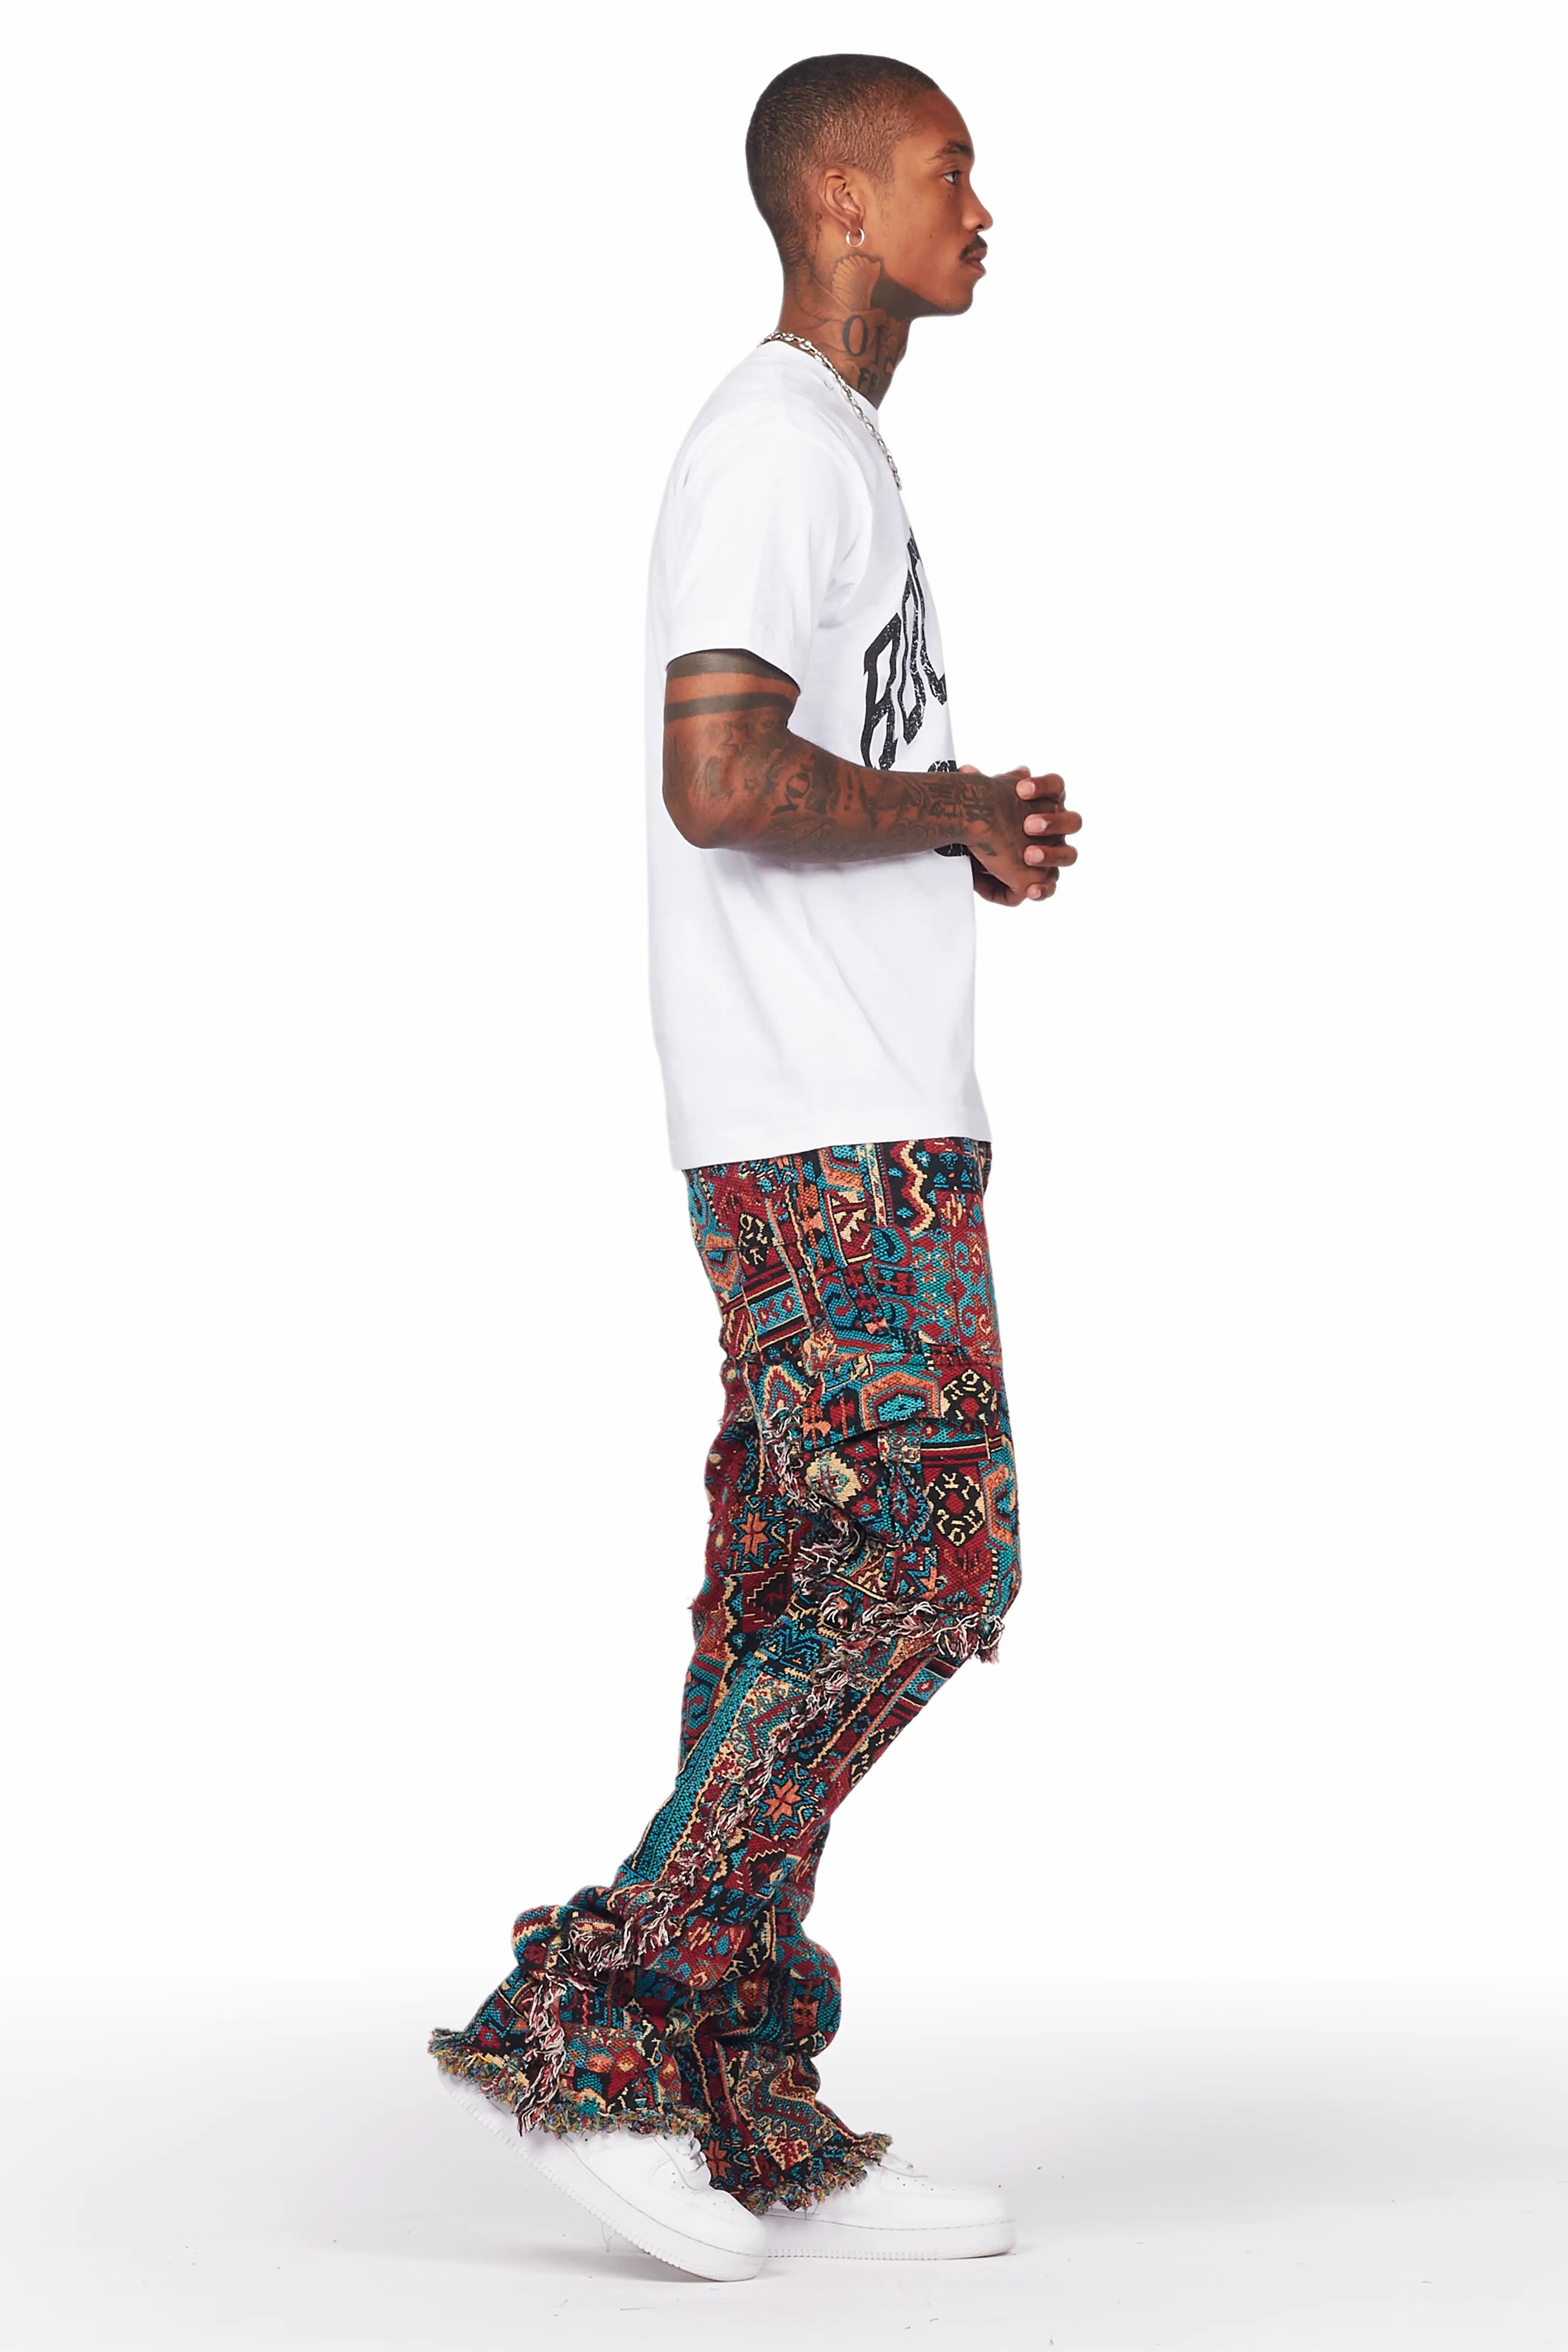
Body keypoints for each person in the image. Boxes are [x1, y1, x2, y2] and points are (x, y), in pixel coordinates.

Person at [431, 52, 1081, 2281]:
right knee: (927, 1552)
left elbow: (803, 767)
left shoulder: (840, 452)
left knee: (784, 1597)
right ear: (838, 201)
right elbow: (718, 777)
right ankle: (593, 2031)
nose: (980, 210)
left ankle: (738, 2096)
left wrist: (954, 821)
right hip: (820, 1130)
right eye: (945, 172)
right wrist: (948, 805)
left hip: (854, 1106)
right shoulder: (773, 446)